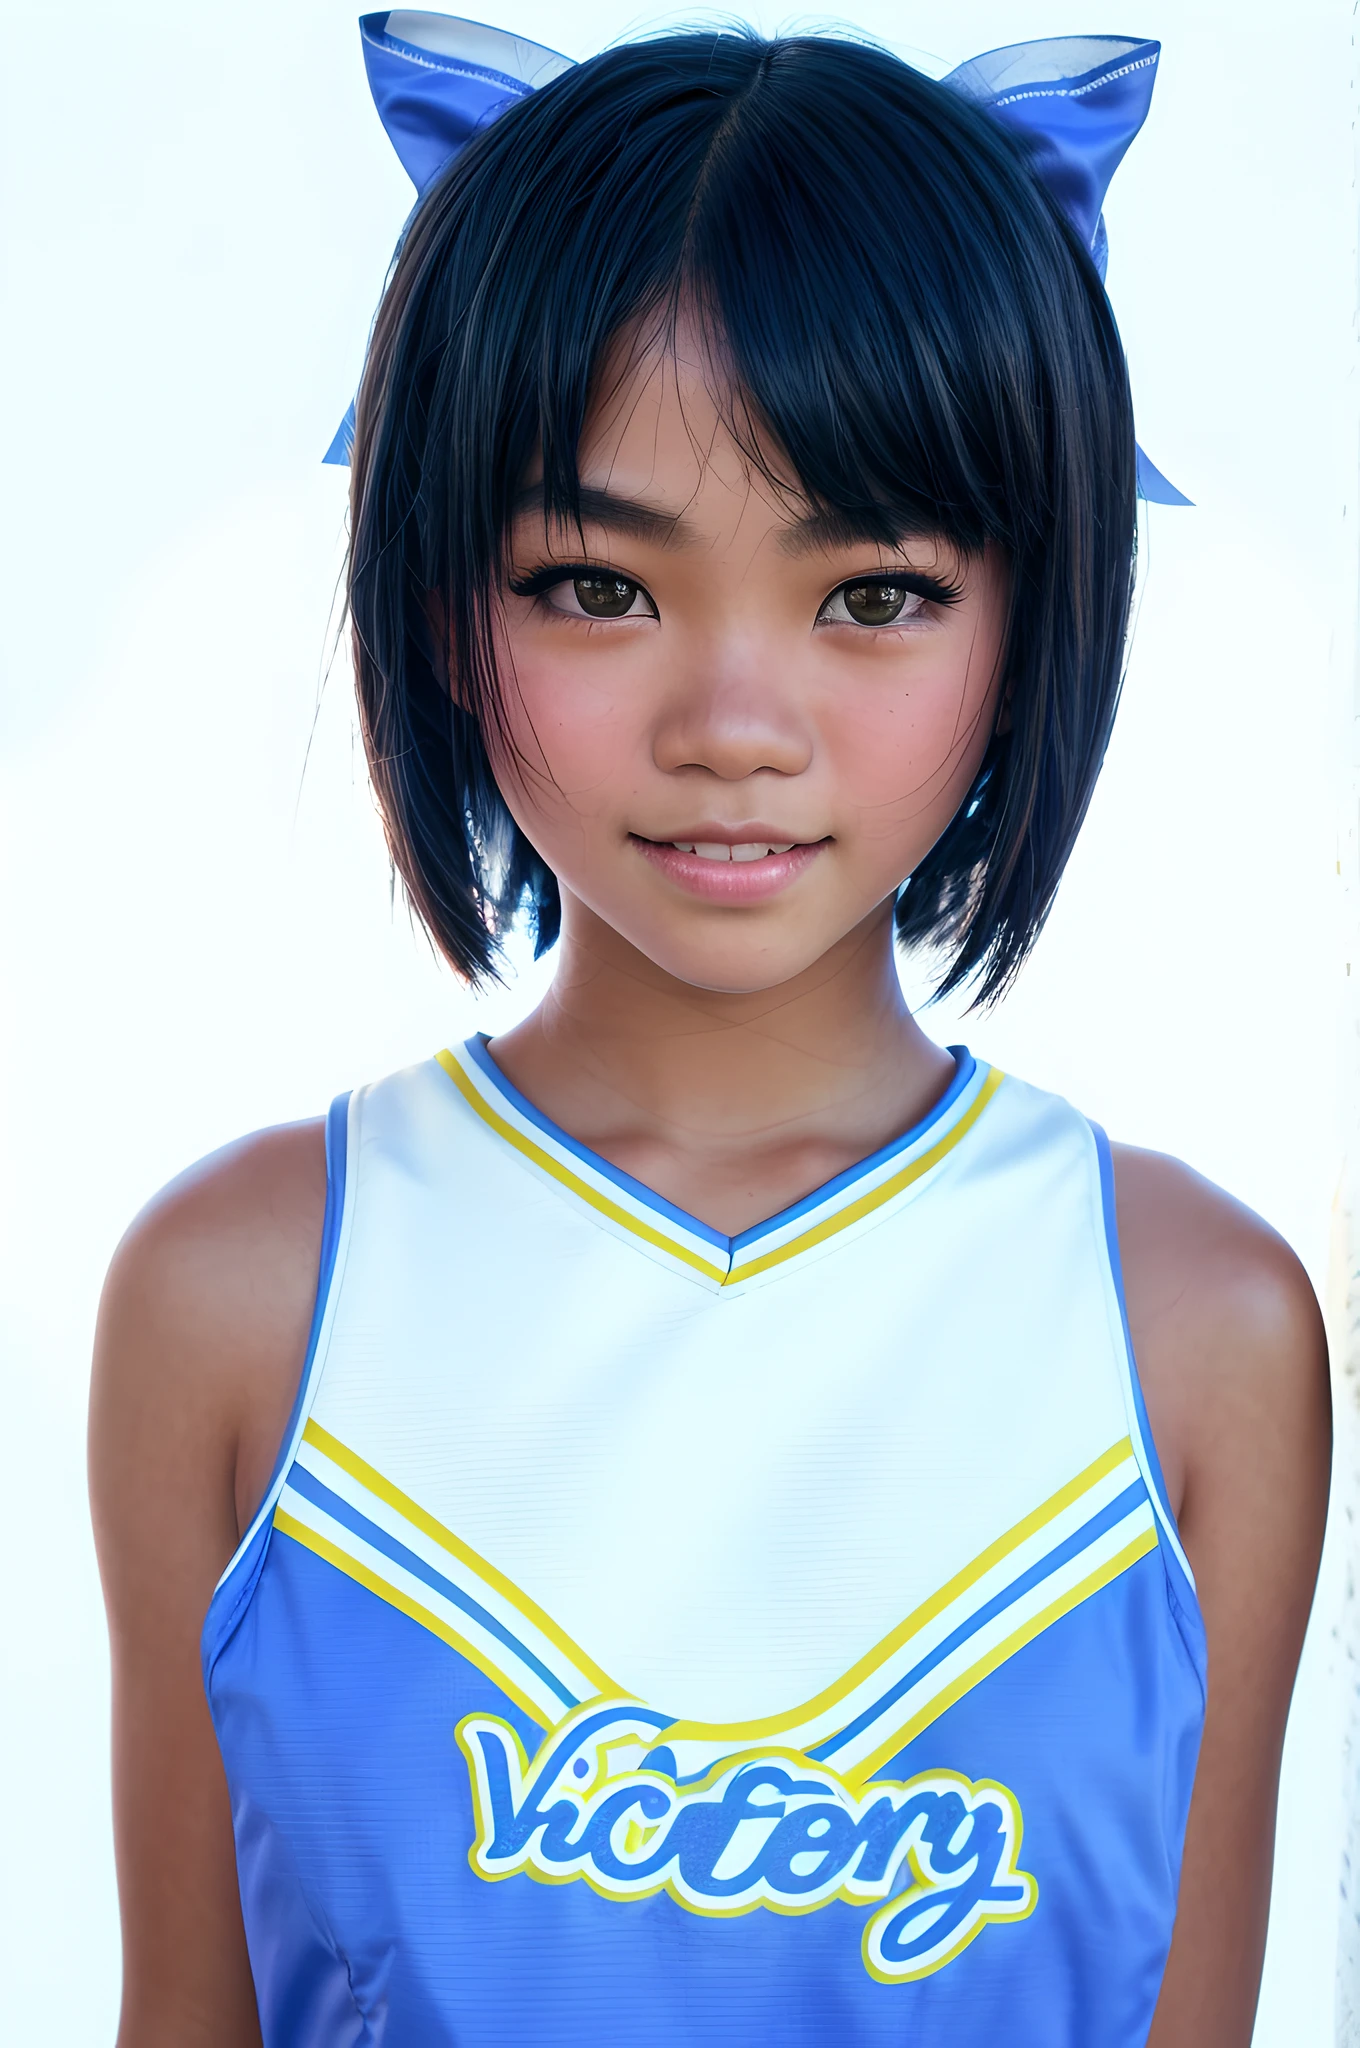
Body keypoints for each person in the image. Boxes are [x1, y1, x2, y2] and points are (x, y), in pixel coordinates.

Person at [89, 16, 1330, 2047]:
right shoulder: (239, 1301)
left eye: (871, 594)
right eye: (595, 584)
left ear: (1036, 606)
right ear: (435, 593)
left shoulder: (1191, 1331)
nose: (733, 722)